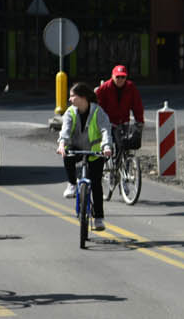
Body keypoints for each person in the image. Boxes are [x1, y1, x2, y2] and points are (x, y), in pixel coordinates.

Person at [56, 84, 115, 230]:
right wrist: (62, 144)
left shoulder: (97, 112)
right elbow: (65, 130)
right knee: (67, 155)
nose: (69, 99)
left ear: (82, 97)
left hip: (95, 152)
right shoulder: (70, 112)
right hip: (77, 149)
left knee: (96, 184)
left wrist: (106, 146)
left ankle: (99, 219)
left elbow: (105, 130)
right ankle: (72, 184)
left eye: (72, 96)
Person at [95, 64, 145, 141]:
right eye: (117, 77)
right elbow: (97, 106)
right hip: (108, 122)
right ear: (112, 76)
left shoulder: (131, 87)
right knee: (108, 144)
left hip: (124, 121)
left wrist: (139, 122)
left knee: (124, 145)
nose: (120, 79)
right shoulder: (105, 88)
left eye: (123, 77)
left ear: (126, 77)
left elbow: (137, 106)